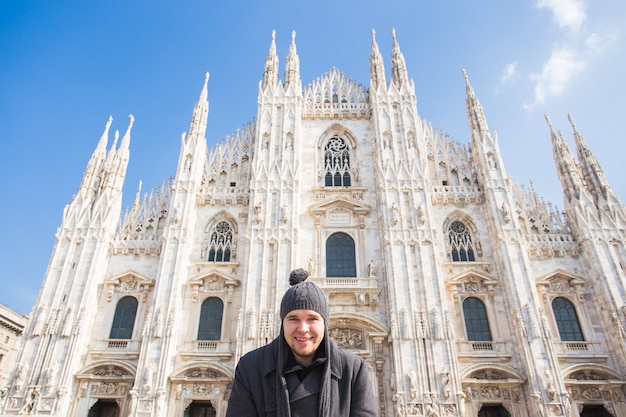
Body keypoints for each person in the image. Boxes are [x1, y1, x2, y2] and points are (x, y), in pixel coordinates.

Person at [226, 268, 378, 417]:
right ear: (282, 323)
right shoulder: (251, 368)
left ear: (324, 324)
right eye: (293, 319)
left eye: (312, 319)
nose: (303, 329)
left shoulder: (353, 370)